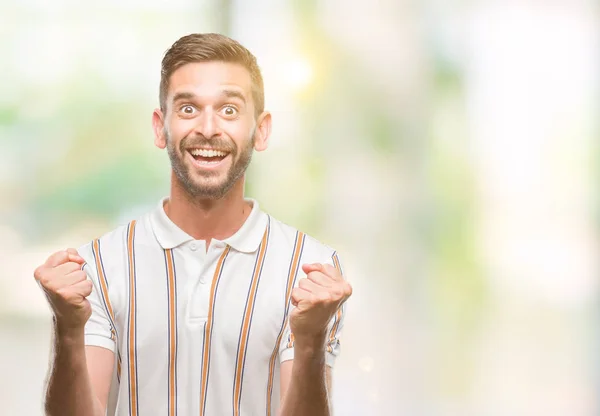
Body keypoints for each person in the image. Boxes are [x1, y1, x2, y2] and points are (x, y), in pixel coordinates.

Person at [33, 33, 352, 416]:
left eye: (229, 110)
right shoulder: (99, 266)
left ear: (261, 130)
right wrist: (67, 329)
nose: (208, 128)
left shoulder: (310, 271)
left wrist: (311, 341)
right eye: (188, 109)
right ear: (160, 127)